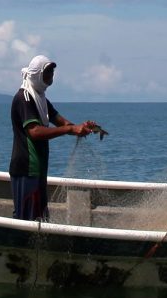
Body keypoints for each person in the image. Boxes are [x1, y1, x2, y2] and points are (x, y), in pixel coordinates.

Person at [8, 54, 102, 222]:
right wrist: (70, 129)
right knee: (27, 217)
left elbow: (62, 123)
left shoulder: (42, 99)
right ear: (37, 74)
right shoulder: (24, 98)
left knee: (40, 216)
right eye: (48, 72)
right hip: (26, 168)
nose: (51, 75)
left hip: (39, 168)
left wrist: (81, 127)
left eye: (52, 72)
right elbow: (34, 131)